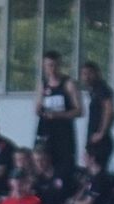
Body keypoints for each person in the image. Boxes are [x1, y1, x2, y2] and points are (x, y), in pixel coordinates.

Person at [34, 51, 82, 185]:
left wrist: (58, 115)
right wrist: (39, 110)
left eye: (54, 65)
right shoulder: (43, 84)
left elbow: (79, 111)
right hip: (46, 130)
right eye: (49, 66)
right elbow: (37, 106)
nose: (52, 69)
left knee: (64, 164)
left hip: (63, 132)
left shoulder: (68, 84)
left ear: (59, 65)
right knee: (42, 161)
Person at [79, 59, 114, 171]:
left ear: (97, 73)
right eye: (84, 74)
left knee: (98, 172)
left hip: (101, 142)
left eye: (89, 73)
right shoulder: (93, 91)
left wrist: (102, 133)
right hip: (93, 140)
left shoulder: (102, 89)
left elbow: (110, 111)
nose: (87, 77)